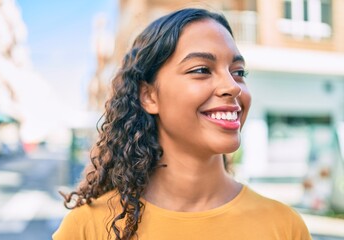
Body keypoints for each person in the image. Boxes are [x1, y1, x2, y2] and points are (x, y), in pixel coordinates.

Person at [53, 7, 311, 240]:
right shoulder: (88, 228)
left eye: (238, 72)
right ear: (149, 96)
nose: (232, 86)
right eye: (201, 70)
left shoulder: (285, 227)